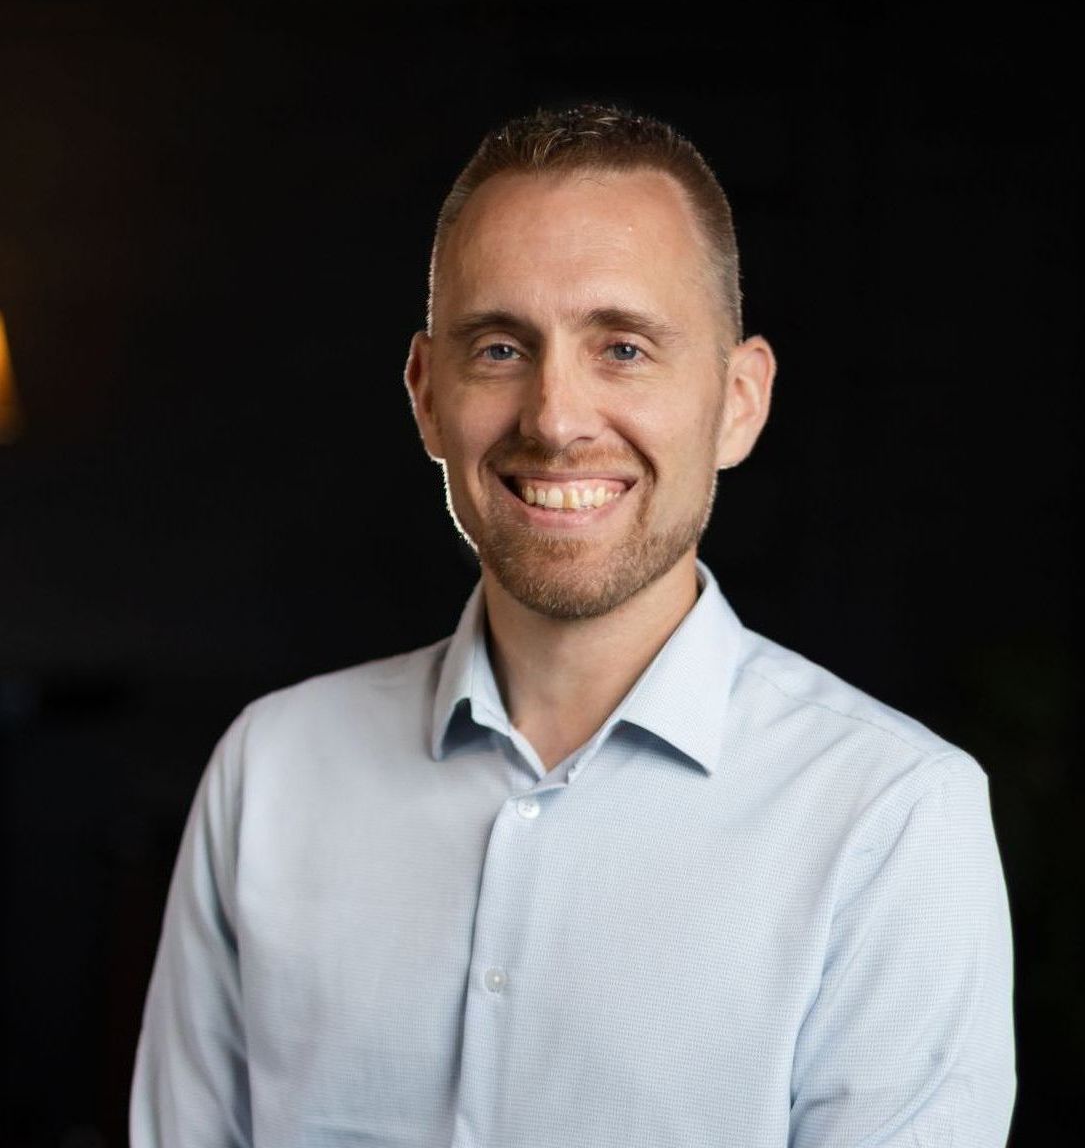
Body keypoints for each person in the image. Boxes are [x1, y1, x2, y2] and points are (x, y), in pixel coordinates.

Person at [131, 104, 1015, 1147]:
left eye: (624, 349)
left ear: (737, 401)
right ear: (425, 395)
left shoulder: (892, 818)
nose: (553, 419)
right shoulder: (268, 771)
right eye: (500, 347)